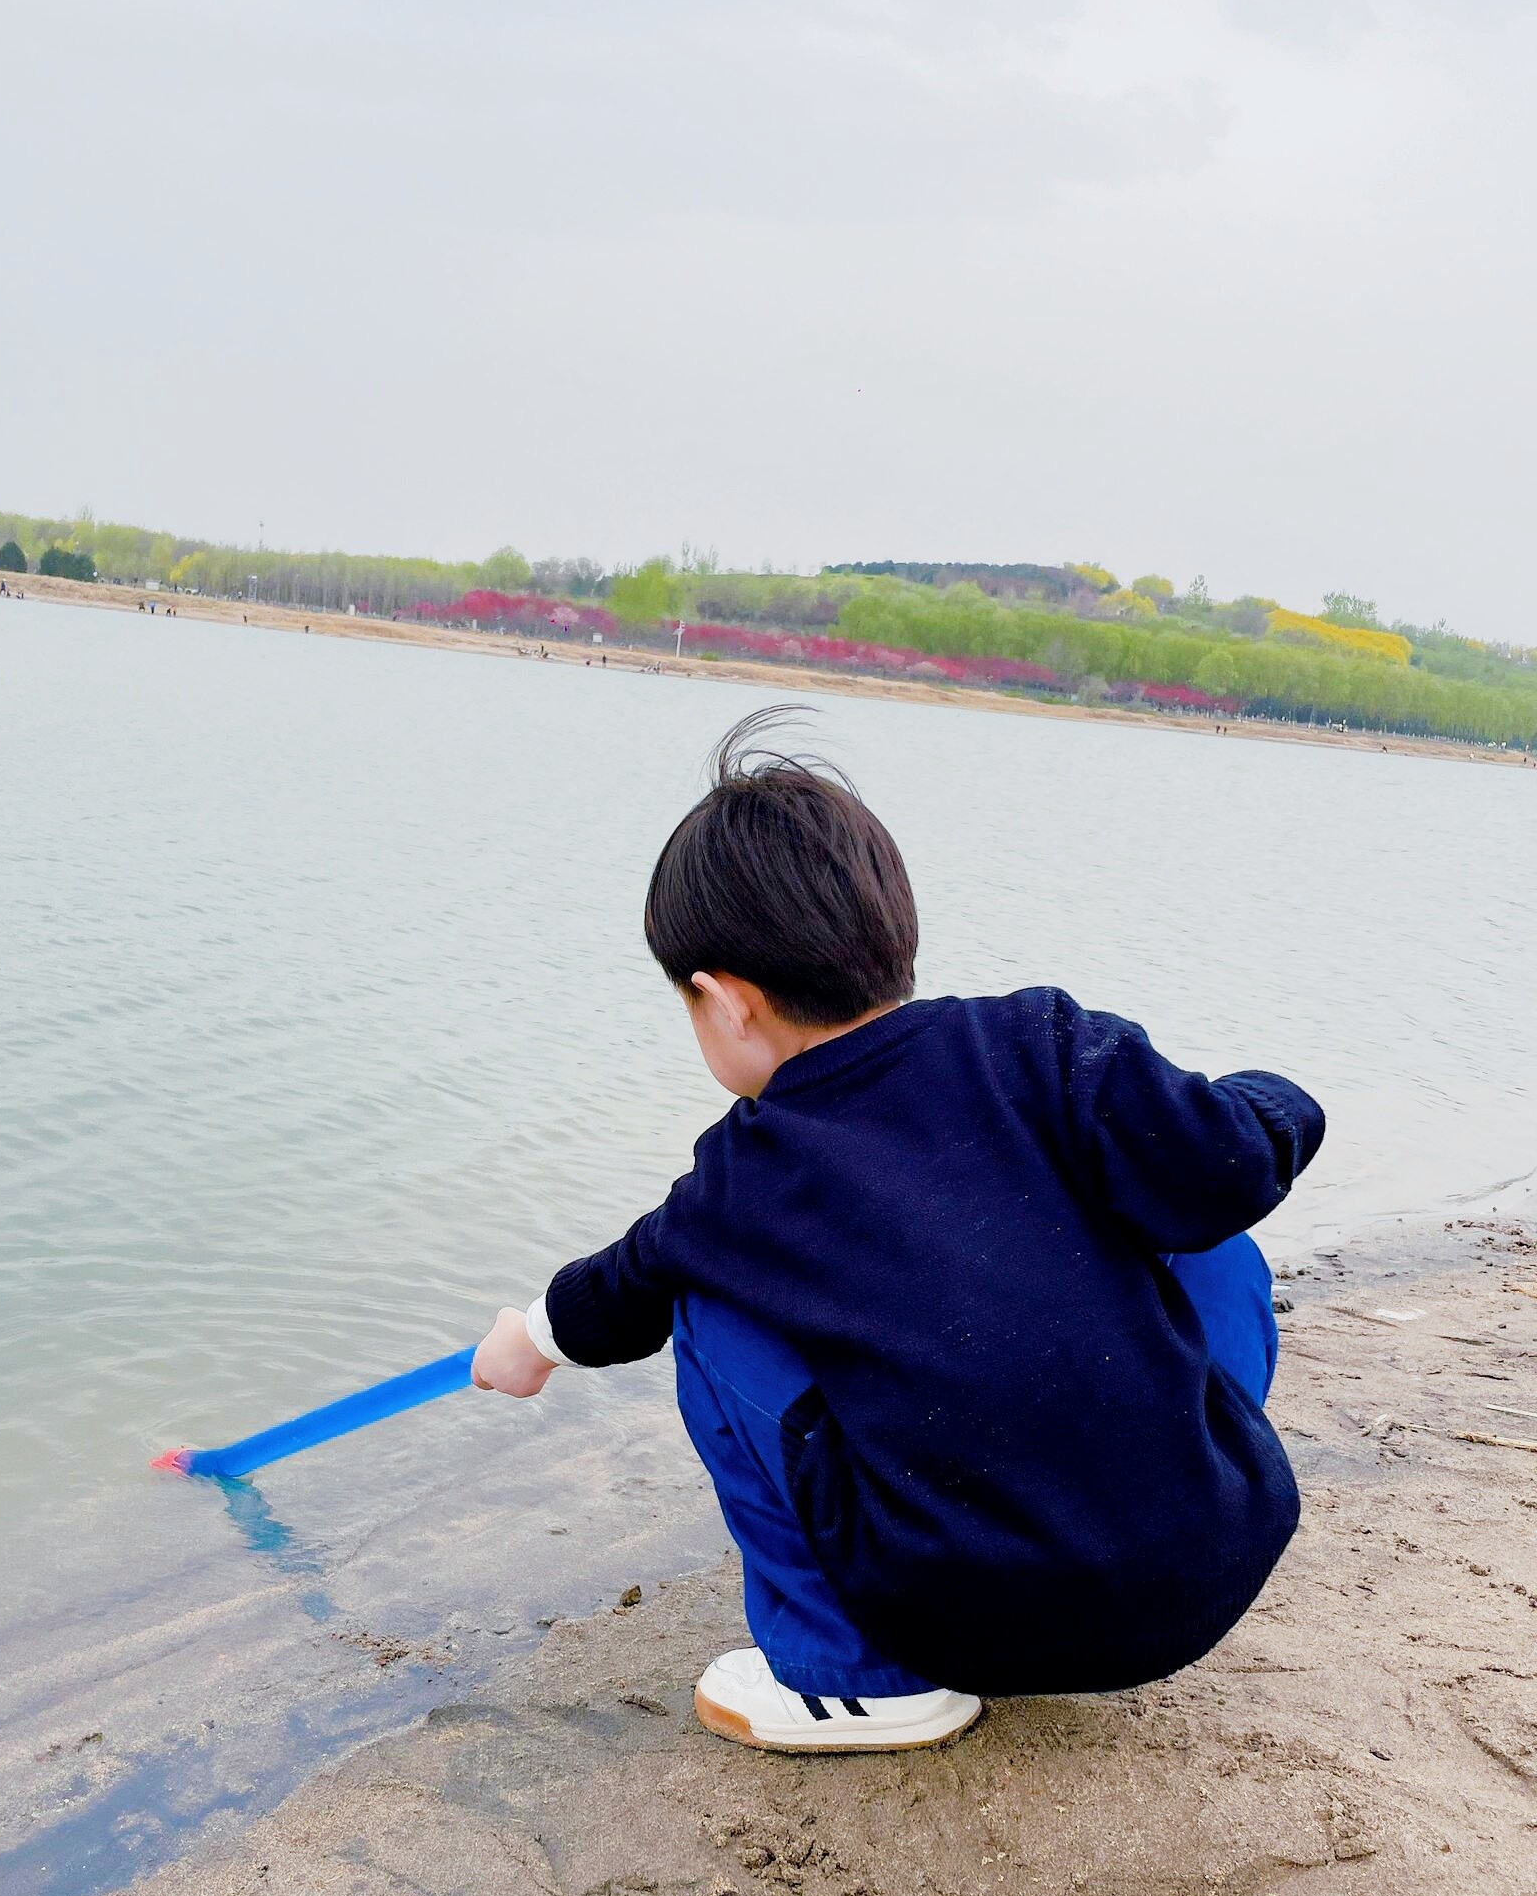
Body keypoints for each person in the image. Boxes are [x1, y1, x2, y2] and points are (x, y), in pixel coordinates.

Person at [471, 709, 1325, 1755]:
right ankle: (1156, 1474)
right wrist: (1274, 1097)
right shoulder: (1042, 1042)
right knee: (1202, 1230)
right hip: (1205, 1570)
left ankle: (856, 1679)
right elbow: (1228, 1155)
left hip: (969, 1618)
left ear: (724, 1002)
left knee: (704, 1303)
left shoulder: (748, 1172)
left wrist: (531, 1339)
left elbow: (630, 1281)